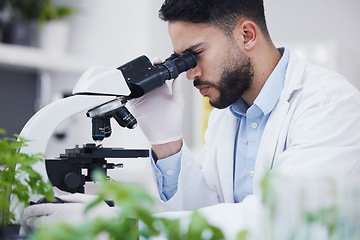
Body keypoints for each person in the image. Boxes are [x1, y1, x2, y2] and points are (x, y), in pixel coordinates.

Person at [24, 0, 360, 238]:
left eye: (195, 55)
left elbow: (280, 223)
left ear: (246, 35)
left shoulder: (329, 104)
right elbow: (206, 216)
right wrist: (167, 142)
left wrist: (126, 227)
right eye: (181, 60)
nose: (189, 73)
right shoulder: (226, 116)